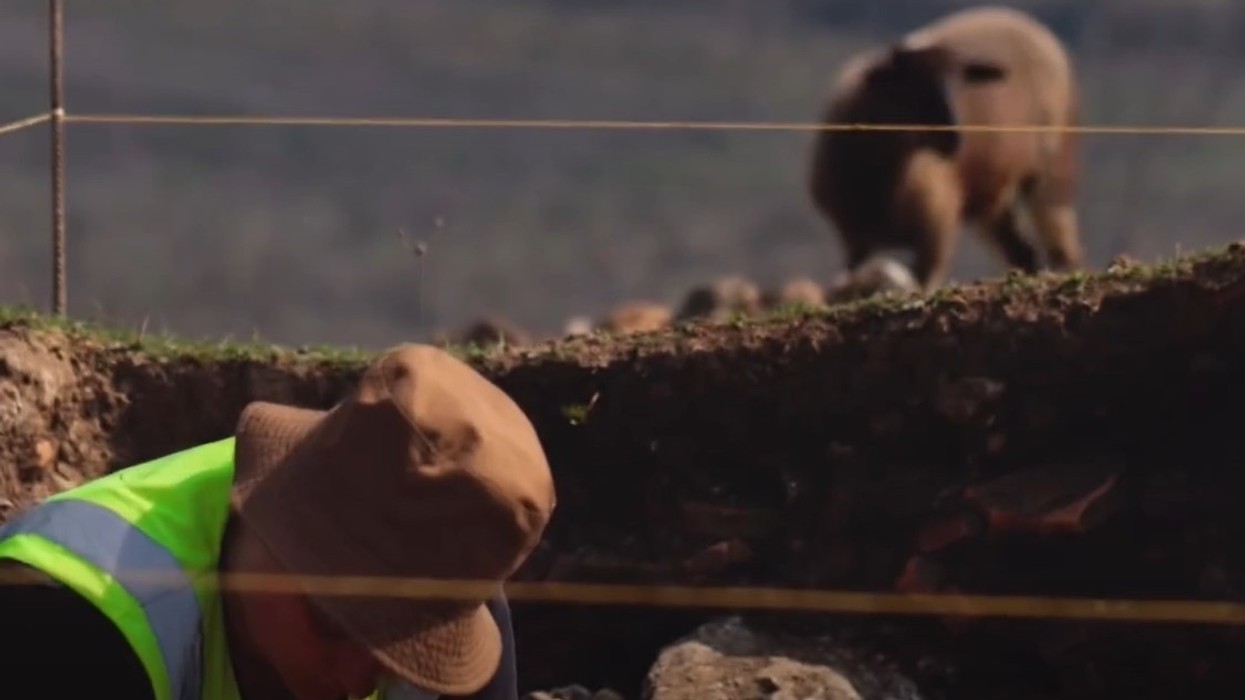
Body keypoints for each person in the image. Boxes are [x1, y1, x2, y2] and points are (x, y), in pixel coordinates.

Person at [0, 343, 557, 700]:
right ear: (277, 527)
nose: (356, 679)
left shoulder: (457, 589)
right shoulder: (67, 627)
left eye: (405, 652)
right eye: (337, 626)